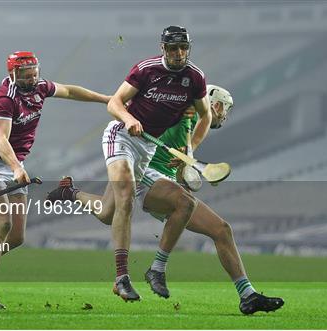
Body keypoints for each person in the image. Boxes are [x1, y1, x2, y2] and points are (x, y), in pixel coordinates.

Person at [48, 84, 285, 315]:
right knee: (182, 203)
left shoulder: (193, 127)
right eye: (222, 107)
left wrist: (189, 168)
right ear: (209, 101)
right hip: (142, 170)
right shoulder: (185, 109)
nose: (223, 113)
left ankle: (248, 295)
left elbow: (180, 172)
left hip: (161, 179)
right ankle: (157, 268)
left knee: (221, 229)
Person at [52, 25, 210, 302]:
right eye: (172, 48)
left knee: (108, 213)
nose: (178, 53)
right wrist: (128, 118)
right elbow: (114, 102)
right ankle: (122, 278)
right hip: (122, 136)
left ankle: (70, 192)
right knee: (126, 200)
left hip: (148, 146)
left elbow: (205, 117)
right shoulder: (146, 69)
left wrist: (190, 149)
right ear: (163, 48)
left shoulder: (195, 78)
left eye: (183, 47)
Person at [0, 51, 110, 309]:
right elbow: (0, 139)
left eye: (34, 74)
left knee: (16, 237)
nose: (32, 80)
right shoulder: (5, 100)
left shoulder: (40, 88)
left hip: (15, 165)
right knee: (2, 225)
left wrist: (107, 99)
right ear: (12, 74)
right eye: (25, 76)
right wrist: (15, 167)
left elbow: (69, 91)